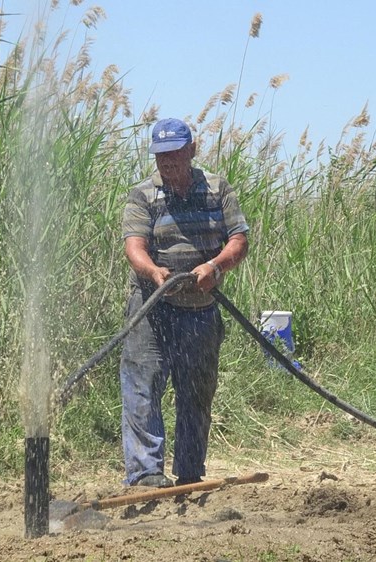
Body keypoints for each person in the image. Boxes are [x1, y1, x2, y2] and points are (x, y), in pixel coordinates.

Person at [118, 117, 250, 488]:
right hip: (151, 308)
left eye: (175, 154)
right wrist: (154, 272)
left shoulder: (217, 189)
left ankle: (190, 472)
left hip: (201, 309)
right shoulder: (143, 194)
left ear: (192, 150)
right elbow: (134, 247)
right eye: (161, 156)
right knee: (142, 387)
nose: (168, 163)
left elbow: (238, 240)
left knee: (197, 389)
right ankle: (145, 474)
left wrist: (215, 266)